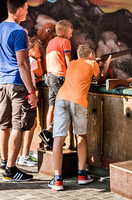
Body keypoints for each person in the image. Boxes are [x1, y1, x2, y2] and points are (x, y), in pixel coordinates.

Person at [48, 44, 112, 191]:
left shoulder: (72, 63)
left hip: (61, 98)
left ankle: (57, 179)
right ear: (91, 55)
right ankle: (82, 175)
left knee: (59, 138)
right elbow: (100, 80)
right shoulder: (92, 64)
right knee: (81, 136)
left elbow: (80, 71)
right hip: (78, 101)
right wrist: (106, 64)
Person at [0, 0, 38, 181]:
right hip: (18, 83)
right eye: (26, 9)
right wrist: (31, 91)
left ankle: (4, 162)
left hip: (3, 83)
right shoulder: (19, 31)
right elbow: (23, 64)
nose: (27, 12)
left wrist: (0, 84)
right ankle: (11, 170)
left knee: (4, 125)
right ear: (18, 10)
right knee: (18, 126)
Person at [42, 19, 73, 145]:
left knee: (52, 106)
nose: (72, 35)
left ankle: (49, 137)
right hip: (60, 77)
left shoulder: (51, 42)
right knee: (63, 108)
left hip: (50, 76)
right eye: (71, 33)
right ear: (65, 33)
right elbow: (68, 60)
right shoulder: (66, 42)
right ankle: (49, 132)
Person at [17, 36, 44, 167]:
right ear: (31, 50)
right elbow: (40, 73)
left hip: (20, 93)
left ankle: (19, 155)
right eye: (38, 49)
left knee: (20, 125)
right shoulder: (32, 61)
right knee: (30, 125)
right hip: (29, 94)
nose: (40, 51)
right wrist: (39, 59)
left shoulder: (22, 59)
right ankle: (25, 155)